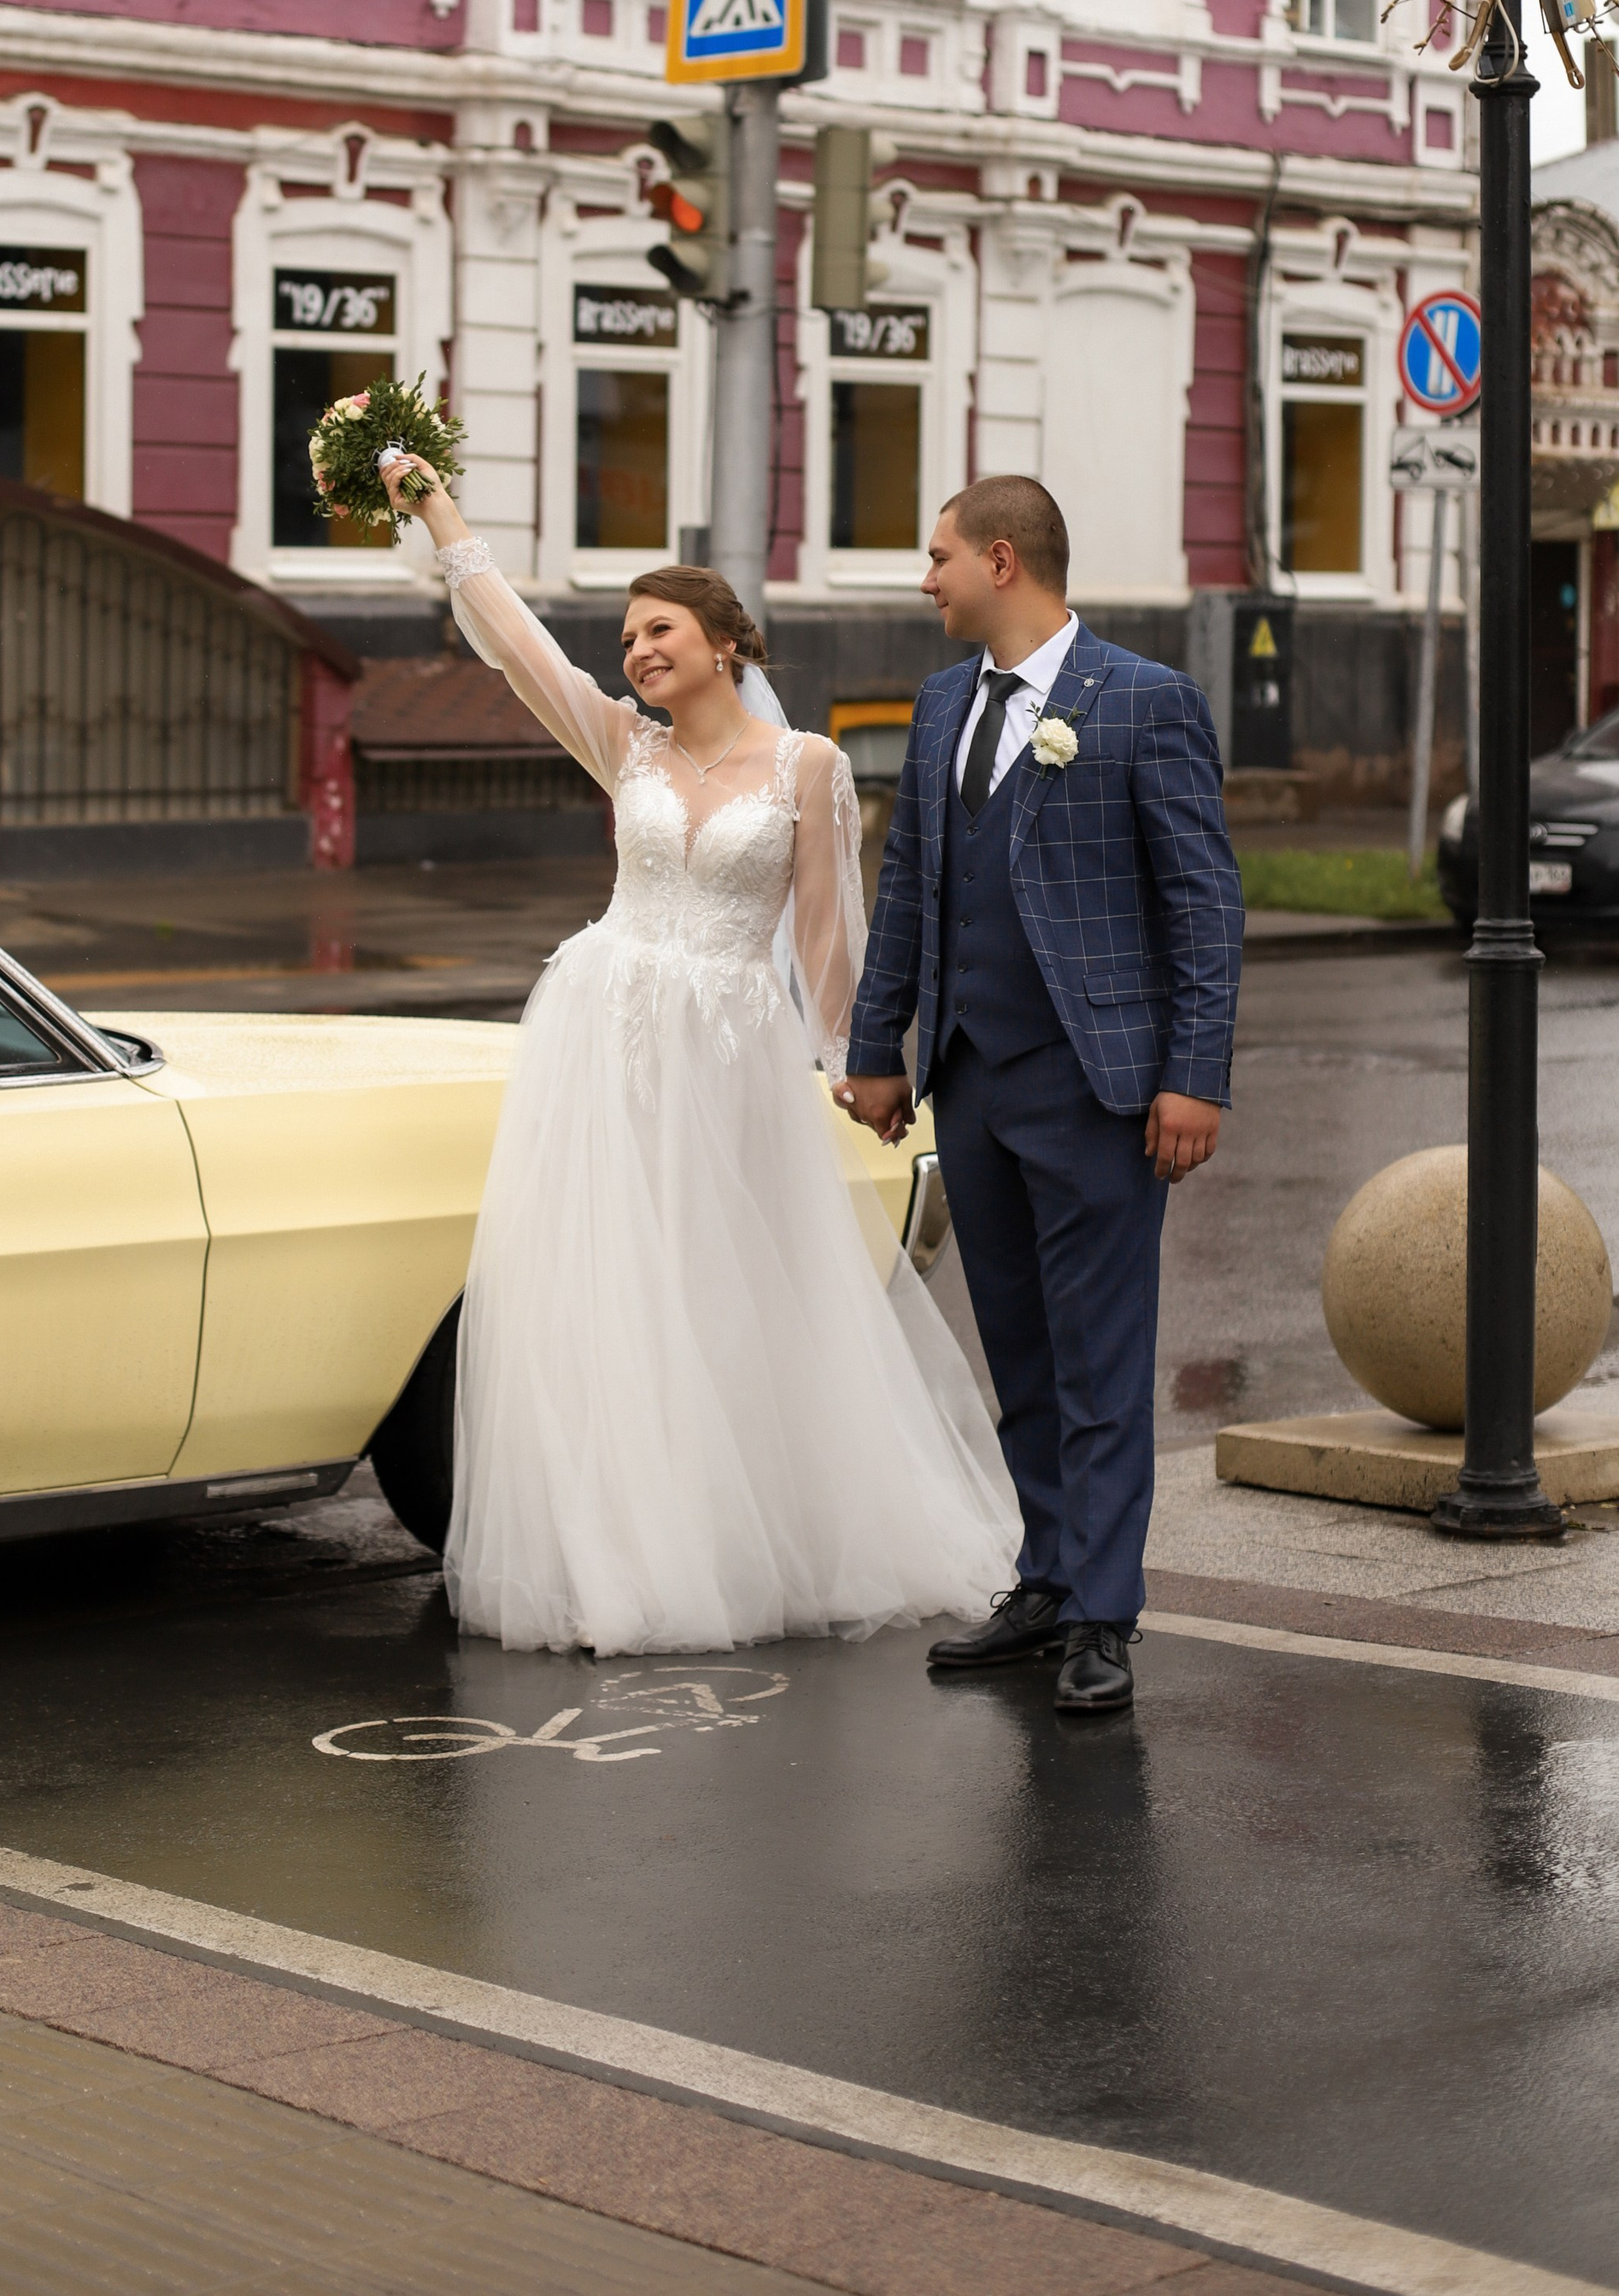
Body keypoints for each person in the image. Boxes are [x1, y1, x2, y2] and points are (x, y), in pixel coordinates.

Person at [378, 452, 1019, 1659]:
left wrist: (858, 1060)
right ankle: (620, 1552)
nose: (636, 651)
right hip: (603, 1038)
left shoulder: (808, 768)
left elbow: (831, 931)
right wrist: (438, 513)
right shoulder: (623, 747)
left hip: (725, 1049)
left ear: (728, 642)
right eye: (626, 638)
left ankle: (743, 1540)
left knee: (722, 1295)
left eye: (658, 629)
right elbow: (520, 649)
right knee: (610, 1296)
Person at [834, 477, 1243, 1718]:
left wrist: (1192, 1077)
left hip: (1101, 1089)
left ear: (1002, 562)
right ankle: (1049, 1577)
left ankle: (1105, 1613)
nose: (927, 578)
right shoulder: (947, 697)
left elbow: (1204, 908)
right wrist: (878, 1044)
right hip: (972, 1078)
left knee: (1101, 1356)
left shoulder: (1145, 702)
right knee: (1018, 1348)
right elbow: (909, 881)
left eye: (940, 555)